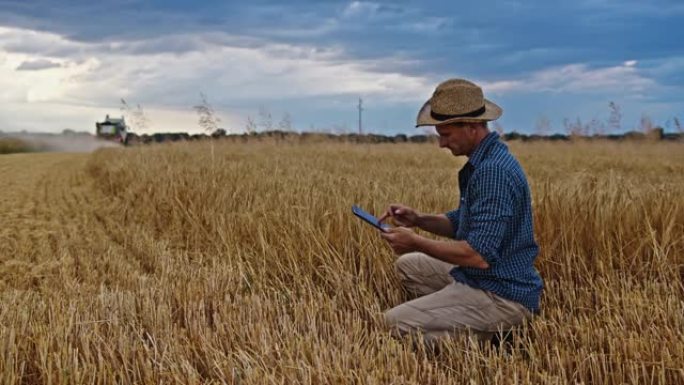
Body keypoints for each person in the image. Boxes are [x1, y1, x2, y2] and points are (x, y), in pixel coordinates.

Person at [378, 78, 543, 344]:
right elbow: (462, 223)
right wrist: (418, 219)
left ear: (472, 127)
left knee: (393, 324)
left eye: (446, 135)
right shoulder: (485, 161)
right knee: (408, 266)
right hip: (482, 277)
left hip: (500, 293)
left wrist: (415, 241)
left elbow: (477, 255)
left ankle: (493, 334)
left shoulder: (493, 172)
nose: (442, 144)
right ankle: (462, 316)